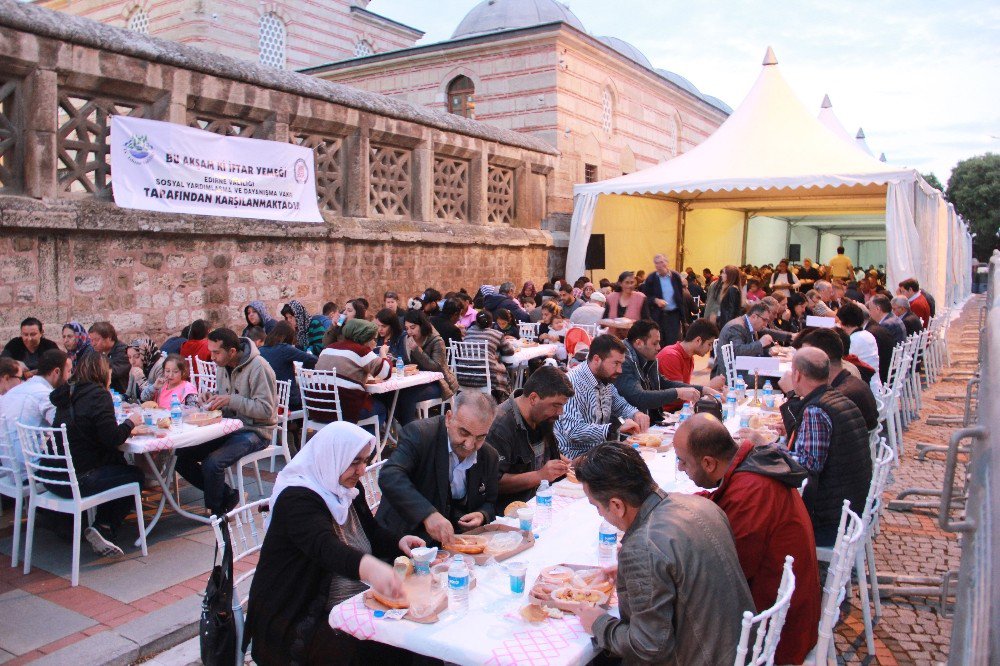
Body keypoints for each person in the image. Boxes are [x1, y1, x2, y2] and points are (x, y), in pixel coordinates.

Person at [243, 422, 424, 665]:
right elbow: (325, 548)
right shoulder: (297, 498)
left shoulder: (343, 487)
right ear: (332, 458)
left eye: (365, 461)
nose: (362, 470)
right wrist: (371, 569)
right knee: (385, 649)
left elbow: (370, 532)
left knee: (411, 637)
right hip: (297, 617)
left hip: (351, 604)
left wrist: (399, 542)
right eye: (355, 462)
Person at [573, 443, 754, 664]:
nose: (600, 514)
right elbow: (680, 568)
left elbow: (648, 647)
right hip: (737, 648)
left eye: (597, 507)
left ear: (616, 505)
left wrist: (598, 623)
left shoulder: (642, 548)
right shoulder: (700, 505)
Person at [673, 415, 820, 665]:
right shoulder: (750, 467)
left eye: (683, 461)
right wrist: (676, 506)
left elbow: (723, 575)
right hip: (787, 607)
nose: (680, 468)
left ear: (708, 463)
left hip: (774, 631)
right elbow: (722, 502)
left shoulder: (750, 492)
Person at [47, 352, 145, 557]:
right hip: (79, 479)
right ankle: (104, 526)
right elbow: (112, 438)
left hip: (53, 476)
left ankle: (101, 524)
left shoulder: (67, 394)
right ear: (103, 372)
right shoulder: (99, 395)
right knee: (135, 475)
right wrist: (131, 423)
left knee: (116, 464)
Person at [175, 328, 277, 516]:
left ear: (231, 352)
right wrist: (213, 399)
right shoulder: (222, 366)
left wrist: (230, 399)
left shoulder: (259, 367)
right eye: (210, 351)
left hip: (257, 431)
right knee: (181, 457)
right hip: (230, 426)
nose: (211, 357)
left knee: (213, 463)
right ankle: (228, 496)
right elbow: (228, 400)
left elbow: (266, 410)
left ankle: (217, 513)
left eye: (216, 352)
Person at [377, 392, 500, 545]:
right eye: (464, 432)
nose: (469, 445)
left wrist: (482, 515)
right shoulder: (420, 435)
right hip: (404, 540)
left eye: (480, 437)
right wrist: (428, 514)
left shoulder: (489, 456)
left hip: (452, 547)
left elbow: (491, 502)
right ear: (449, 418)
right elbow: (390, 475)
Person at [781, 347, 872, 546]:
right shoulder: (840, 399)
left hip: (829, 523)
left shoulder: (816, 409)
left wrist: (767, 450)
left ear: (797, 374)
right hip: (852, 509)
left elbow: (807, 466)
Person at [485, 366, 573, 513]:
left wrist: (569, 464)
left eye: (562, 406)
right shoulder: (500, 426)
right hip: (512, 514)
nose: (560, 412)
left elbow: (542, 453)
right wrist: (539, 476)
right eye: (556, 405)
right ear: (533, 398)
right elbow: (493, 482)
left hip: (542, 501)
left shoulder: (542, 416)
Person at [555, 335, 649, 458]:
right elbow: (573, 431)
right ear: (596, 359)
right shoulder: (572, 384)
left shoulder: (604, 378)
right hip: (574, 459)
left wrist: (636, 414)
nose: (620, 370)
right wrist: (614, 428)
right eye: (616, 363)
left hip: (599, 453)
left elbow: (619, 405)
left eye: (621, 364)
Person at [616, 320, 703, 423]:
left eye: (659, 342)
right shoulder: (623, 360)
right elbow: (639, 397)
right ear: (639, 343)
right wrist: (678, 393)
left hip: (649, 421)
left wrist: (702, 389)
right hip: (629, 427)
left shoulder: (648, 357)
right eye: (655, 343)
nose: (659, 347)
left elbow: (662, 383)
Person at [0, 349, 71, 476]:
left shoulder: (15, 391)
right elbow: (64, 428)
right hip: (33, 470)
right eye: (69, 371)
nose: (69, 377)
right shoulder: (44, 394)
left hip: (9, 468)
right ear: (57, 372)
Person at [797, 328, 879, 431]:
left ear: (820, 361)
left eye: (804, 359)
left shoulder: (837, 397)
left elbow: (807, 436)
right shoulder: (851, 380)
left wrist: (792, 395)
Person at [316, 319, 390, 427]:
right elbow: (386, 372)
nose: (375, 342)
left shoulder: (328, 348)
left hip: (317, 409)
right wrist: (383, 353)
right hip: (342, 411)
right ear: (366, 338)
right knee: (380, 409)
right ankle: (365, 443)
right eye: (374, 339)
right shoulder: (361, 351)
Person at [397, 310, 458, 426]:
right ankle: (400, 426)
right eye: (407, 328)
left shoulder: (436, 341)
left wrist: (417, 350)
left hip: (440, 383)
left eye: (413, 327)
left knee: (407, 395)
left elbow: (436, 367)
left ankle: (409, 429)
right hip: (417, 381)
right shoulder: (407, 339)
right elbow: (406, 362)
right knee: (394, 394)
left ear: (422, 325)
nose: (409, 331)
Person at [657, 318, 723, 411]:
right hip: (668, 412)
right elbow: (678, 396)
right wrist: (709, 387)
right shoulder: (671, 356)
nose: (711, 349)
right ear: (698, 340)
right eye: (709, 344)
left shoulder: (689, 357)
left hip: (681, 409)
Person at [259, 321, 317, 412]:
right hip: (289, 401)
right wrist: (305, 368)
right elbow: (312, 359)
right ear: (289, 337)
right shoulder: (284, 349)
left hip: (269, 400)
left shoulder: (261, 351)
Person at [712, 301, 775, 379]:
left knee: (775, 372)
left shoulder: (749, 325)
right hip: (733, 374)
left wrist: (767, 351)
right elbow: (737, 351)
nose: (766, 324)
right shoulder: (736, 327)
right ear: (754, 316)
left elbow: (749, 350)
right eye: (764, 320)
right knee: (775, 379)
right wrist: (760, 343)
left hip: (744, 368)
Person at [461, 310, 514, 399]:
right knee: (501, 369)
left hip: (463, 375)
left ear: (476, 322)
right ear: (491, 323)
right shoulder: (497, 334)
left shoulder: (468, 332)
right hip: (485, 377)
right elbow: (509, 351)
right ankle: (503, 400)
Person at [639, 253, 687, 347]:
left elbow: (680, 298)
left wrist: (683, 318)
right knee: (658, 344)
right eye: (656, 263)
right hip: (658, 316)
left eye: (661, 262)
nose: (660, 265)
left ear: (667, 263)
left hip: (673, 316)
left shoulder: (675, 277)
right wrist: (655, 300)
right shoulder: (651, 279)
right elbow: (645, 297)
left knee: (673, 344)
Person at [836, 301, 883, 390]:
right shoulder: (868, 334)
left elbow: (843, 364)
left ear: (843, 322)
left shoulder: (853, 340)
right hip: (875, 384)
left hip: (867, 387)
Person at [88, 321, 131, 394]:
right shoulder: (97, 352)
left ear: (109, 338)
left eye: (97, 340)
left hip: (121, 395)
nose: (93, 344)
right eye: (91, 340)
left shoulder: (123, 351)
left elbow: (113, 372)